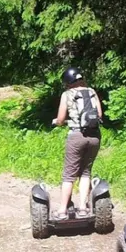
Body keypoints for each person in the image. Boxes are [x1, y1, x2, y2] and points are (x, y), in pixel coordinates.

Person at [51, 67, 103, 219]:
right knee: (85, 172)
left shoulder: (67, 94)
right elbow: (99, 115)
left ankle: (62, 211)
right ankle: (82, 209)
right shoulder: (92, 91)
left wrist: (57, 122)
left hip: (76, 136)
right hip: (94, 136)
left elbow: (61, 119)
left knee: (69, 174)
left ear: (68, 82)